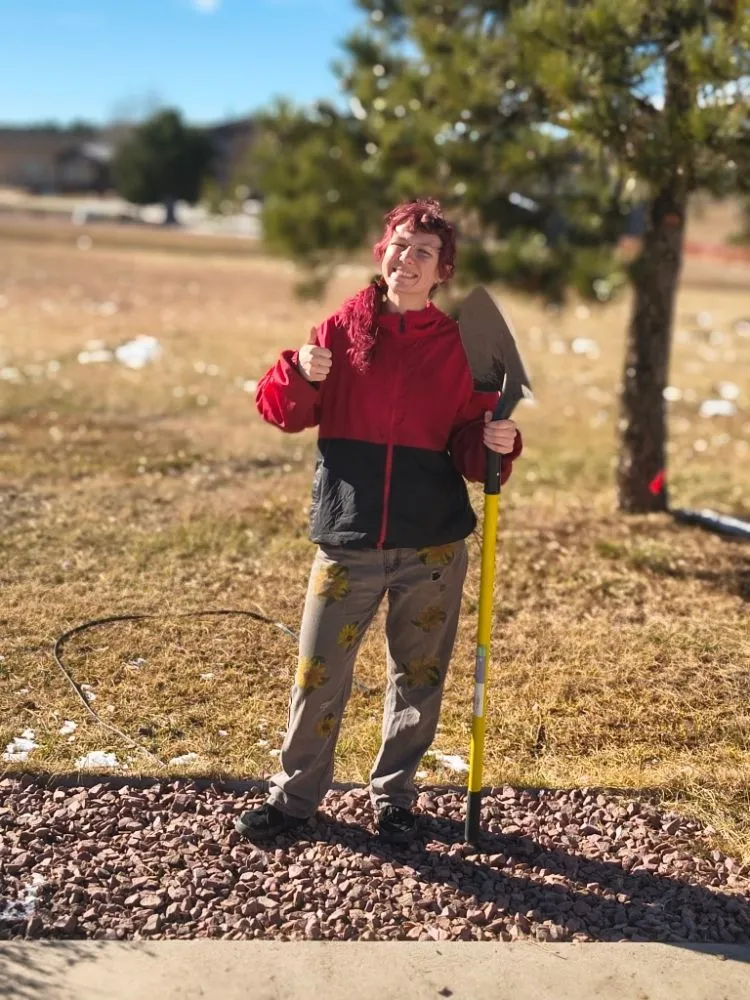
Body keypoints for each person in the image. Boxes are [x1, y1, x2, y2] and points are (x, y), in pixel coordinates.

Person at [237, 198, 522, 842]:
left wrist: (497, 442)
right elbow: (284, 413)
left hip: (433, 546)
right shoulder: (340, 330)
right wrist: (297, 371)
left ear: (443, 270)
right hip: (349, 537)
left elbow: (472, 450)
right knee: (317, 673)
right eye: (399, 245)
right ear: (381, 252)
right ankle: (295, 798)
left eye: (424, 252)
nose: (408, 259)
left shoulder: (462, 347)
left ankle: (394, 796)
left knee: (418, 676)